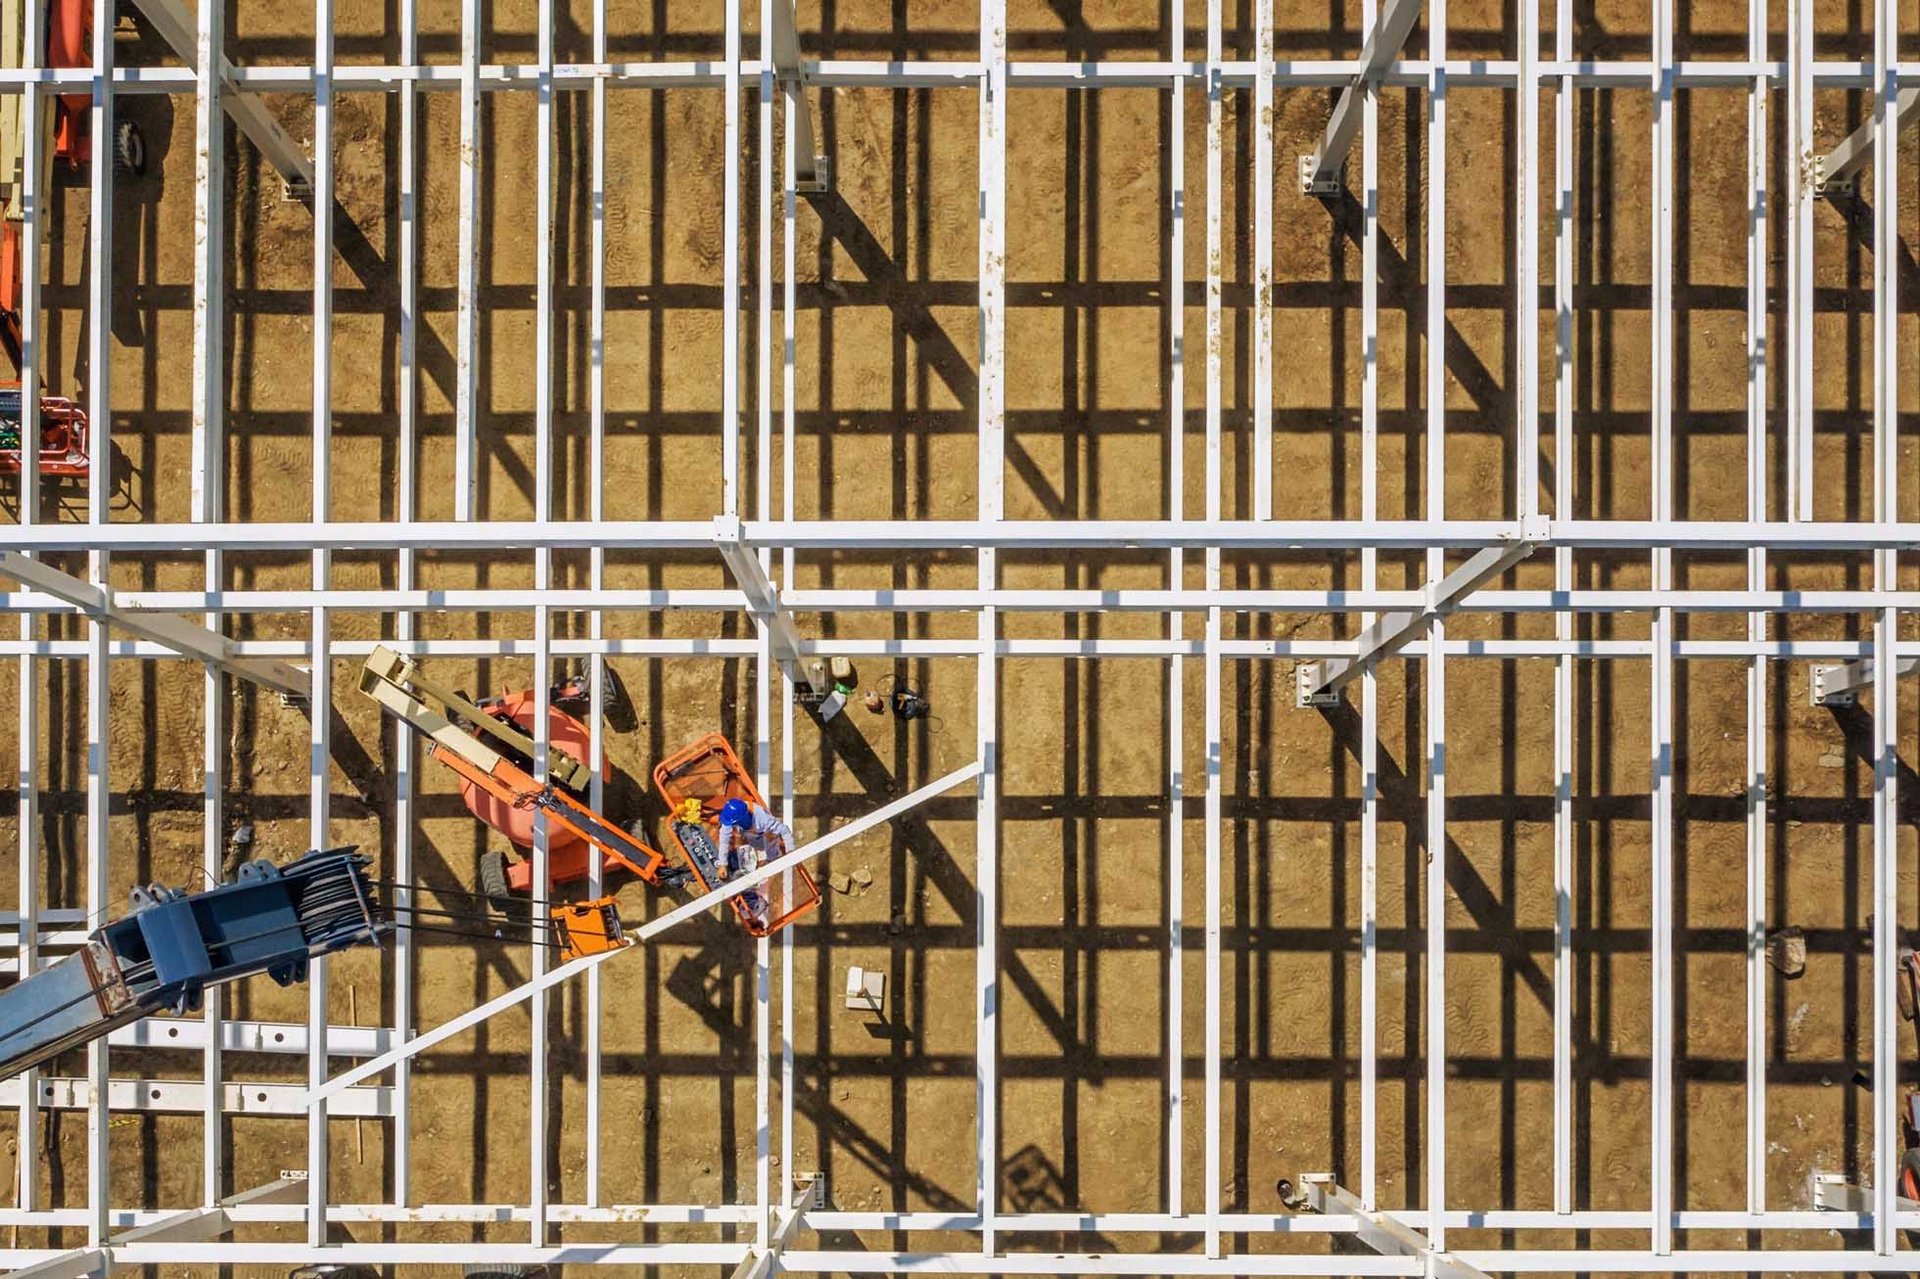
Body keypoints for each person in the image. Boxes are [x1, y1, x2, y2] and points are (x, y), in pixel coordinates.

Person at [714, 798, 792, 927]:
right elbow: (724, 838)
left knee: (771, 852)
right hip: (751, 837)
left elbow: (784, 831)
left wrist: (790, 852)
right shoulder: (735, 814)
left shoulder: (764, 821)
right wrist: (722, 863)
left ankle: (774, 862)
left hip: (765, 837)